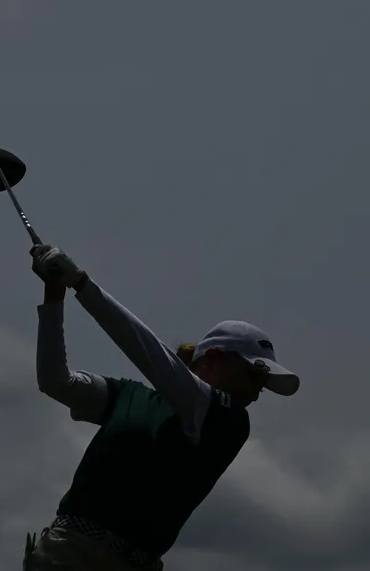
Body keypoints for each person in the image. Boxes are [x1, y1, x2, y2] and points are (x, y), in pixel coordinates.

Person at [23, 244, 300, 571]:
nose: (256, 393)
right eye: (252, 376)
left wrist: (82, 283)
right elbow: (56, 382)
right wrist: (55, 297)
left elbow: (147, 352)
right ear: (212, 359)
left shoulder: (230, 419)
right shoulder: (130, 396)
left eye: (262, 384)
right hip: (69, 551)